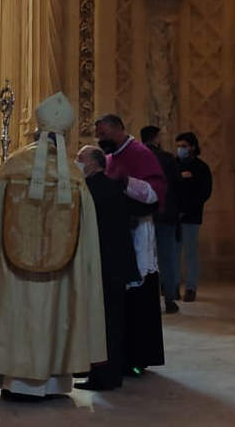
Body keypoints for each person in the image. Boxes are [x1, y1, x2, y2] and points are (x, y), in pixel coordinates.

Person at [0, 93, 105, 400]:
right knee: (56, 315)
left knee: (16, 314)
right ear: (64, 136)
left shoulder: (13, 167)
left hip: (12, 274)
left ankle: (14, 380)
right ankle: (53, 382)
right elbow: (88, 239)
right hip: (63, 277)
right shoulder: (75, 176)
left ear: (35, 132)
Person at [95, 114, 166, 376]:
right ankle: (121, 355)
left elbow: (154, 192)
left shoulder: (139, 153)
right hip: (117, 236)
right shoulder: (112, 157)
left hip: (138, 235)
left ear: (118, 129)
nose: (101, 139)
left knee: (138, 295)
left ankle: (139, 357)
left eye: (104, 134)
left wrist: (127, 183)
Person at [74, 145, 142, 391]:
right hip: (118, 265)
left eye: (80, 158)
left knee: (103, 323)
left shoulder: (89, 190)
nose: (77, 162)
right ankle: (107, 373)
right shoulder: (113, 186)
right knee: (112, 321)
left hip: (102, 266)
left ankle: (104, 377)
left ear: (94, 163)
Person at [140, 125, 182, 313]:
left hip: (144, 214)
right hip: (166, 213)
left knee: (145, 256)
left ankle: (146, 299)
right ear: (156, 138)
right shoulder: (168, 159)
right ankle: (170, 298)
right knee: (167, 257)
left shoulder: (137, 157)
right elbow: (176, 186)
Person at [174, 131, 212, 303]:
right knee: (172, 253)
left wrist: (188, 208)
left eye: (184, 146)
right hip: (173, 216)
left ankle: (190, 288)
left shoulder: (201, 167)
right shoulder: (174, 165)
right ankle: (172, 286)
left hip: (191, 216)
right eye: (178, 146)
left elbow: (204, 192)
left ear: (193, 147)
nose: (180, 149)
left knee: (190, 253)